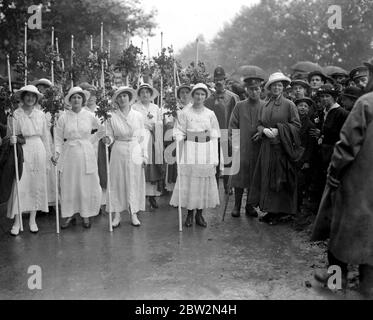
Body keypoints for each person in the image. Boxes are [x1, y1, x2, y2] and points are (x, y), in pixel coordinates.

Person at [312, 89, 373, 297]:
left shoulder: (366, 102)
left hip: (357, 180)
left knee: (337, 230)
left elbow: (347, 143)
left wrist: (334, 171)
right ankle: (368, 285)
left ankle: (337, 279)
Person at [248, 72, 302, 225]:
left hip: (281, 148)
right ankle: (270, 211)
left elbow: (297, 126)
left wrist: (280, 130)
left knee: (279, 178)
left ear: (283, 87)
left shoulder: (289, 104)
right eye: (274, 85)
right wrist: (262, 130)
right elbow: (259, 123)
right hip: (266, 147)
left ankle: (280, 213)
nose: (277, 88)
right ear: (270, 88)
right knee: (267, 177)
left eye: (280, 85)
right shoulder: (265, 104)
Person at [170, 83, 221, 228]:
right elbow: (179, 130)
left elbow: (214, 134)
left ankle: (200, 214)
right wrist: (179, 138)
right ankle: (190, 214)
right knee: (190, 182)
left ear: (205, 97)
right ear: (193, 95)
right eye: (197, 94)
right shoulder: (185, 113)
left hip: (205, 149)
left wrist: (214, 157)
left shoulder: (210, 114)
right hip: (190, 149)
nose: (199, 97)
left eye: (202, 94)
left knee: (202, 182)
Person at [52, 87, 104, 229]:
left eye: (79, 97)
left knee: (85, 183)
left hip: (85, 152)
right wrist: (56, 152)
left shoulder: (89, 115)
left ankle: (86, 214)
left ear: (83, 100)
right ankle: (70, 214)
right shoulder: (63, 117)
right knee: (69, 183)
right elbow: (57, 138)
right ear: (70, 100)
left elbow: (102, 129)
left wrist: (91, 140)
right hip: (69, 153)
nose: (76, 100)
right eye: (73, 97)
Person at [6, 85, 51, 236]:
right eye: (28, 95)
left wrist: (50, 155)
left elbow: (45, 136)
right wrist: (11, 139)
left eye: (33, 96)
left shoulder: (41, 115)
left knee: (36, 183)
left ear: (36, 98)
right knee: (21, 183)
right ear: (23, 97)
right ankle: (17, 221)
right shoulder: (15, 115)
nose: (30, 98)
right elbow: (9, 135)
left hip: (38, 148)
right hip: (22, 149)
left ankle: (33, 219)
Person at [103, 86, 146, 228]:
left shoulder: (138, 115)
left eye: (125, 96)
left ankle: (133, 212)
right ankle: (117, 214)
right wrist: (107, 139)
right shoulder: (111, 116)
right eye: (119, 97)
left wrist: (144, 155)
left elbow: (142, 136)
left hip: (134, 148)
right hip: (119, 148)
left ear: (129, 98)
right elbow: (109, 134)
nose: (122, 99)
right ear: (116, 100)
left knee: (134, 179)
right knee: (117, 181)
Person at [228, 70, 265, 218]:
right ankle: (237, 206)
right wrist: (234, 145)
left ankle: (250, 206)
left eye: (257, 89)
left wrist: (262, 130)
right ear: (246, 90)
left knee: (253, 177)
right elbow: (232, 127)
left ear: (261, 89)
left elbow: (269, 123)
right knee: (239, 176)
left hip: (258, 147)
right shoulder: (239, 106)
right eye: (251, 89)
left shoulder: (265, 106)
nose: (254, 92)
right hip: (242, 148)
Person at [205, 66, 238, 194]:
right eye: (216, 79)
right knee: (214, 162)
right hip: (213, 135)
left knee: (228, 161)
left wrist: (234, 135)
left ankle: (228, 186)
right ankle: (213, 188)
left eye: (221, 79)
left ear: (225, 80)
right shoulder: (208, 100)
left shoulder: (232, 97)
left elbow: (237, 118)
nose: (219, 82)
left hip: (227, 134)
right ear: (214, 80)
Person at [310, 84, 348, 191]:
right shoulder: (321, 112)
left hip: (333, 152)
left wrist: (322, 134)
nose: (324, 99)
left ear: (334, 97)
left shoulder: (342, 113)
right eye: (322, 96)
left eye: (327, 96)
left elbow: (343, 134)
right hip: (321, 152)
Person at [132, 83, 163, 210]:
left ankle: (152, 195)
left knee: (152, 164)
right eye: (142, 92)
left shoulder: (155, 108)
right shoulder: (134, 107)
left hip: (153, 138)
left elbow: (160, 121)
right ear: (139, 95)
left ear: (151, 94)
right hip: (140, 138)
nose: (145, 94)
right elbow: (133, 121)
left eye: (147, 92)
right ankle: (139, 196)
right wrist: (144, 125)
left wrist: (156, 125)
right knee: (140, 164)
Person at [164, 84, 192, 192]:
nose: (184, 95)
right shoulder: (174, 108)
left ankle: (188, 192)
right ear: (178, 95)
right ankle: (177, 194)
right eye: (182, 92)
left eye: (187, 92)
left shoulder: (193, 107)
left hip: (189, 140)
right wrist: (173, 121)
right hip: (176, 140)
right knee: (176, 167)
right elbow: (168, 122)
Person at [294, 97, 317, 211]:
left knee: (300, 183)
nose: (302, 108)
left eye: (305, 106)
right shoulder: (292, 121)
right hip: (292, 155)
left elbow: (311, 146)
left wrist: (306, 161)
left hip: (302, 158)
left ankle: (297, 209)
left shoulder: (310, 125)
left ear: (308, 109)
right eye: (300, 105)